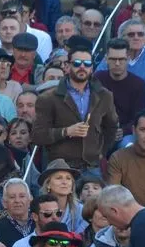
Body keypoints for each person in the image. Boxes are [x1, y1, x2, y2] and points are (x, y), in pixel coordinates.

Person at [33, 43, 119, 173]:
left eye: (87, 64)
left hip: (92, 166)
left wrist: (101, 152)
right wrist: (66, 131)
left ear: (92, 68)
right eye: (77, 63)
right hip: (61, 166)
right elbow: (37, 135)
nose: (82, 67)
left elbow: (111, 127)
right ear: (67, 67)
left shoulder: (104, 95)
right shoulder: (48, 98)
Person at [0, 179, 35, 247]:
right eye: (12, 197)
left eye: (22, 196)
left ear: (30, 200)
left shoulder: (42, 222)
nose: (17, 201)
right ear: (4, 203)